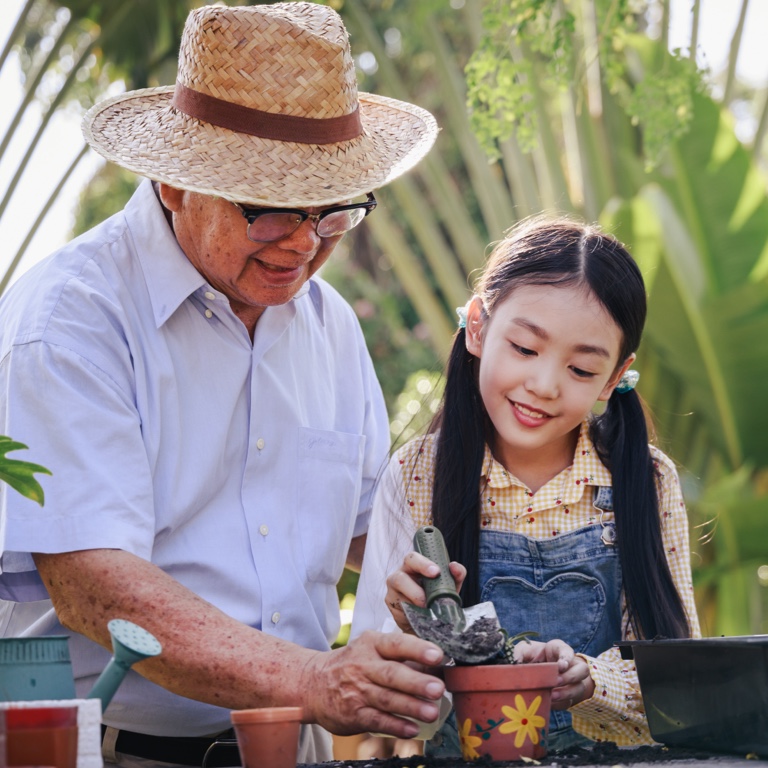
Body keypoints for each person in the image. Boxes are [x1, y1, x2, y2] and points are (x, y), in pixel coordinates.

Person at [0, 3, 447, 765]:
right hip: (115, 751)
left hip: (290, 748)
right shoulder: (71, 318)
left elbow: (374, 530)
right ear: (173, 184)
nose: (305, 244)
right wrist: (314, 679)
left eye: (335, 214)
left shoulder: (331, 326)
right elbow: (92, 583)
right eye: (271, 211)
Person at [350, 216, 701, 756]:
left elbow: (683, 685)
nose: (544, 384)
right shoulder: (415, 474)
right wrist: (411, 629)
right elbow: (387, 713)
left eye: (581, 370)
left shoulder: (647, 481)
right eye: (525, 348)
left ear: (615, 377)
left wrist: (590, 681)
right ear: (477, 327)